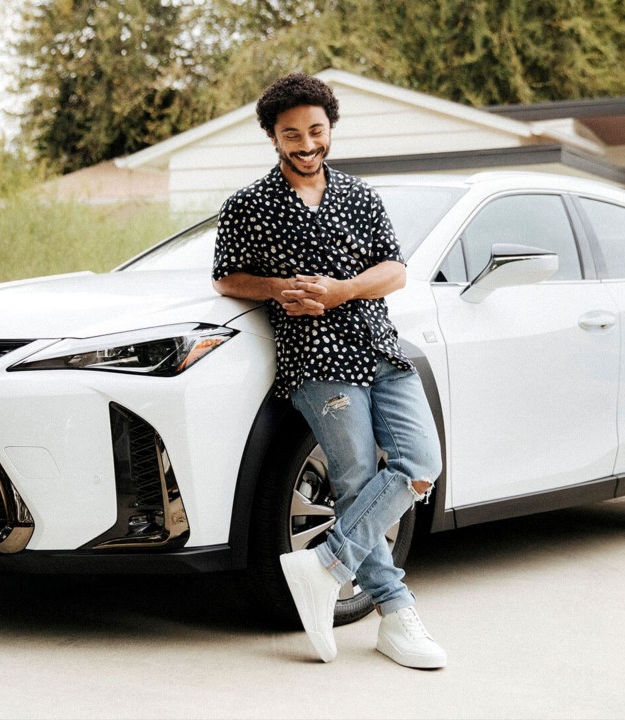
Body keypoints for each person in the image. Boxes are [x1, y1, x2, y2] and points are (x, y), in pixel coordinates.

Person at [211, 73, 446, 669]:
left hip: (379, 347)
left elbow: (394, 270)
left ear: (330, 129)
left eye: (316, 130)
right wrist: (277, 288)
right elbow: (227, 277)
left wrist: (340, 291)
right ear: (274, 138)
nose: (307, 143)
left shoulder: (361, 196)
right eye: (292, 134)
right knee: (357, 478)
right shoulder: (248, 205)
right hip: (315, 359)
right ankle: (395, 615)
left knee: (422, 462)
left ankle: (326, 564)